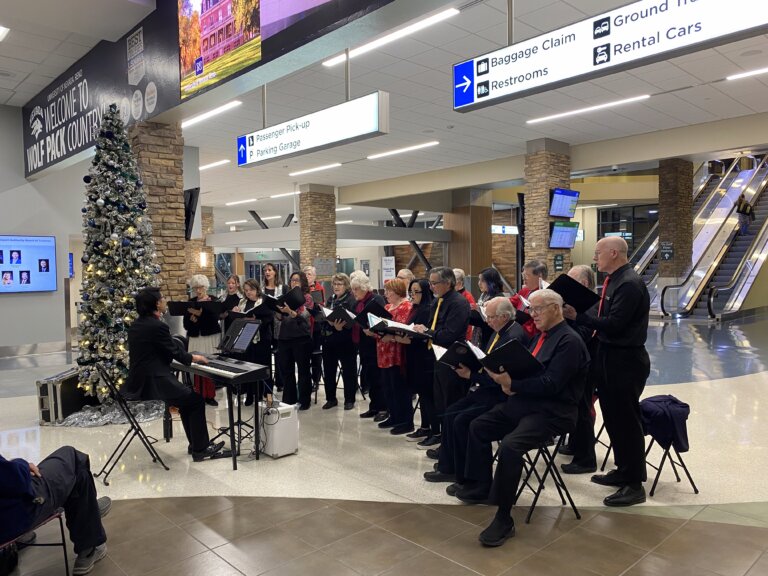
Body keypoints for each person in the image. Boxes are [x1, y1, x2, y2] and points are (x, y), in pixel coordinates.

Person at [459, 290, 589, 547]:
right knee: (477, 425)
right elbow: (527, 368)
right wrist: (506, 380)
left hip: (552, 412)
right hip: (526, 403)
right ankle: (483, 485)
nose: (532, 314)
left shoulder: (569, 342)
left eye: (538, 309)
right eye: (531, 309)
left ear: (555, 308)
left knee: (510, 446)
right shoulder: (542, 337)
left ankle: (503, 517)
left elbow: (552, 384)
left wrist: (513, 384)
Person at [563, 236, 650, 507]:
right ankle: (623, 471)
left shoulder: (629, 284)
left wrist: (579, 317)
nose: (595, 256)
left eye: (598, 252)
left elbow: (615, 324)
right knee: (613, 419)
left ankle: (634, 484)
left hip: (625, 361)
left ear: (614, 253)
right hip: (610, 358)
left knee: (626, 422)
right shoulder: (614, 280)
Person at [425, 297, 527, 493]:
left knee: (463, 420)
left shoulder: (513, 337)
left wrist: (471, 375)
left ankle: (472, 479)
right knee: (451, 412)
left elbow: (504, 379)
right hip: (486, 390)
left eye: (490, 317)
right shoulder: (501, 331)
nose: (487, 321)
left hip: (500, 396)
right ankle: (450, 468)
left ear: (504, 317)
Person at [124, 287, 225, 461]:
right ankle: (200, 449)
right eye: (162, 298)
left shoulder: (135, 325)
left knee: (188, 401)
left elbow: (158, 350)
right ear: (156, 304)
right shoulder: (157, 326)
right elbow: (174, 352)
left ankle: (196, 445)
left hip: (140, 381)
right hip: (155, 381)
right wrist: (195, 357)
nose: (165, 301)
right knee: (196, 400)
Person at [1, 447, 112, 575]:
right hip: (15, 516)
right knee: (71, 457)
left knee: (65, 472)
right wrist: (22, 465)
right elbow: (15, 479)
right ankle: (89, 545)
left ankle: (89, 511)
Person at [413, 266, 470, 449]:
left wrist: (427, 331)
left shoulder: (458, 303)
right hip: (436, 356)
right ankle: (444, 443)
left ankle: (451, 446)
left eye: (434, 283)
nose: (431, 287)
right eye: (430, 283)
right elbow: (434, 327)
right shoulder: (438, 301)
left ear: (448, 283)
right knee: (440, 402)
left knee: (450, 402)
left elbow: (449, 334)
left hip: (451, 358)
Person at [560, 264, 600, 474]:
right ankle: (575, 444)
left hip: (588, 366)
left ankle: (586, 459)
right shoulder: (579, 305)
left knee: (583, 410)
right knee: (577, 407)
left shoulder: (590, 306)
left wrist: (569, 319)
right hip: (580, 364)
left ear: (583, 284)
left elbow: (583, 335)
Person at [369, 278, 413, 434]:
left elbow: (401, 328)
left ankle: (405, 420)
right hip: (383, 351)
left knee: (399, 387)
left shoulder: (406, 307)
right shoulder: (387, 306)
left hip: (397, 352)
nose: (385, 293)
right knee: (388, 387)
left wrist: (390, 336)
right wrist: (373, 331)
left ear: (398, 291)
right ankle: (393, 415)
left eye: (389, 291)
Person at [231, 278, 275, 406]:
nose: (249, 293)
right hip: (247, 338)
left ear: (257, 289)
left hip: (262, 339)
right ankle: (250, 394)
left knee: (264, 367)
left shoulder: (264, 301)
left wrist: (257, 319)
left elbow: (269, 319)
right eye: (246, 290)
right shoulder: (242, 302)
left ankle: (267, 394)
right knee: (249, 367)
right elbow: (238, 320)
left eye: (251, 290)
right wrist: (237, 313)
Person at [401, 278, 435, 441]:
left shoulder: (428, 308)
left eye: (416, 291)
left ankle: (430, 429)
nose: (413, 295)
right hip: (413, 353)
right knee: (422, 394)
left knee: (427, 395)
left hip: (424, 356)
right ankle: (424, 426)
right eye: (411, 291)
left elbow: (424, 334)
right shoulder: (415, 308)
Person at [351, 273, 387, 420]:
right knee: (370, 376)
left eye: (356, 289)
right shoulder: (357, 302)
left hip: (376, 343)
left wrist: (372, 330)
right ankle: (374, 407)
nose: (354, 292)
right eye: (352, 289)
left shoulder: (376, 299)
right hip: (363, 343)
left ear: (364, 288)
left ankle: (383, 408)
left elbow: (383, 320)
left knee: (378, 378)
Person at [276, 271, 314, 409]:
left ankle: (304, 400)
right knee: (287, 371)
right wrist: (277, 310)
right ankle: (288, 399)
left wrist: (290, 312)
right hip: (284, 337)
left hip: (301, 337)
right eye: (292, 280)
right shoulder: (286, 297)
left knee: (303, 371)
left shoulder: (307, 297)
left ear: (303, 282)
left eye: (297, 280)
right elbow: (280, 318)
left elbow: (304, 315)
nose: (294, 282)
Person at [321, 273, 358, 410]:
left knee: (348, 370)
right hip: (329, 338)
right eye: (334, 284)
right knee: (329, 370)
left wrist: (339, 325)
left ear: (346, 286)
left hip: (345, 339)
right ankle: (331, 398)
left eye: (339, 284)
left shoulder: (350, 299)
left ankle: (349, 399)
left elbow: (352, 319)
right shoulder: (330, 299)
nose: (336, 287)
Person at [183, 274, 220, 407]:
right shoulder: (191, 302)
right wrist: (192, 320)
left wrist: (200, 315)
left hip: (209, 337)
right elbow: (186, 325)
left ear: (206, 287)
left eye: (200, 288)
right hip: (196, 338)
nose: (198, 291)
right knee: (197, 366)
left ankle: (210, 395)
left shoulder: (213, 300)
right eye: (195, 288)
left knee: (209, 366)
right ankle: (199, 394)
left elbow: (214, 320)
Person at [510, 260, 548, 340]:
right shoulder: (525, 290)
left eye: (527, 275)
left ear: (539, 276)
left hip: (533, 337)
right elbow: (511, 301)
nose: (524, 279)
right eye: (523, 275)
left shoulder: (546, 296)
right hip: (517, 331)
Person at [470, 267, 506, 349]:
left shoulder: (498, 298)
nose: (479, 283)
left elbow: (487, 322)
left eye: (482, 281)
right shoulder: (484, 296)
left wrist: (476, 310)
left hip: (490, 338)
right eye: (479, 280)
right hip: (482, 337)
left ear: (491, 282)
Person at [304, 265, 326, 391]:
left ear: (314, 276)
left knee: (316, 355)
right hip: (304, 325)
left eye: (310, 274)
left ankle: (315, 380)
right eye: (305, 274)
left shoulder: (319, 288)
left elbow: (321, 305)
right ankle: (306, 380)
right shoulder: (301, 289)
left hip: (316, 325)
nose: (307, 276)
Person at [454, 268, 476, 340]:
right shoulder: (451, 295)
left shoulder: (468, 297)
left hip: (464, 336)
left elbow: (470, 320)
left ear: (459, 283)